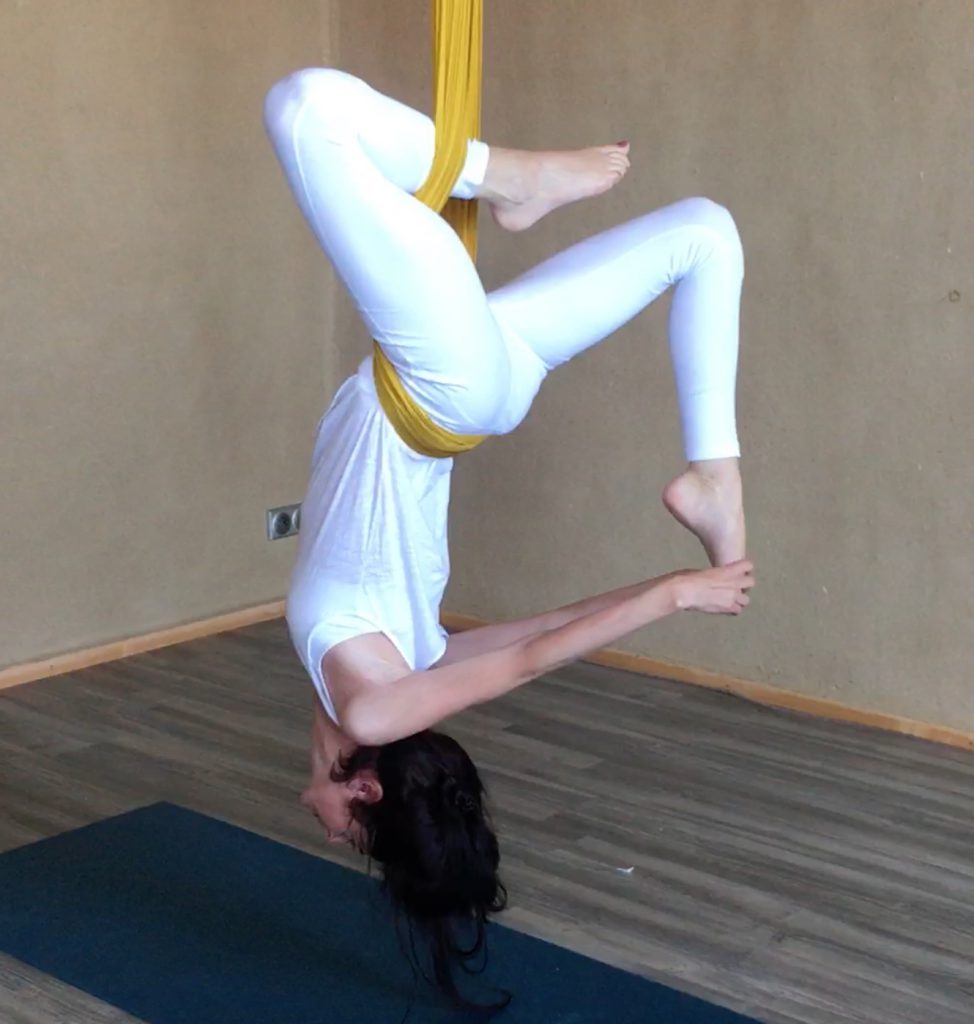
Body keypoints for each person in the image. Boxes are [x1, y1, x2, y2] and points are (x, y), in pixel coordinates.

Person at [263, 67, 754, 1004]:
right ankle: (508, 178)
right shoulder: (375, 709)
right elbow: (534, 658)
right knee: (304, 108)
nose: (323, 829)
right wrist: (672, 594)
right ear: (365, 793)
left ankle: (714, 476)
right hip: (440, 385)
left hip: (486, 380)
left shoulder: (399, 668)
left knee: (703, 232)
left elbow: (534, 630)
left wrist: (672, 584)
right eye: (344, 832)